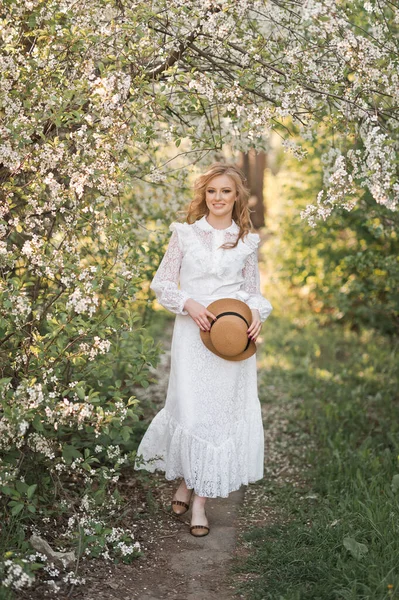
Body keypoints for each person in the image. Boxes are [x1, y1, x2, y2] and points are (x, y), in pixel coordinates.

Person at [134, 162, 273, 537]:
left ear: (236, 196)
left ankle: (199, 502)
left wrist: (257, 314)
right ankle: (186, 482)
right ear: (204, 195)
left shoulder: (246, 240)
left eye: (225, 191)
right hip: (192, 333)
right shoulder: (185, 234)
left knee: (219, 417)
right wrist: (190, 303)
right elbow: (162, 283)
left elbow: (253, 291)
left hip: (230, 335)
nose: (218, 198)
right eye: (212, 191)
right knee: (192, 413)